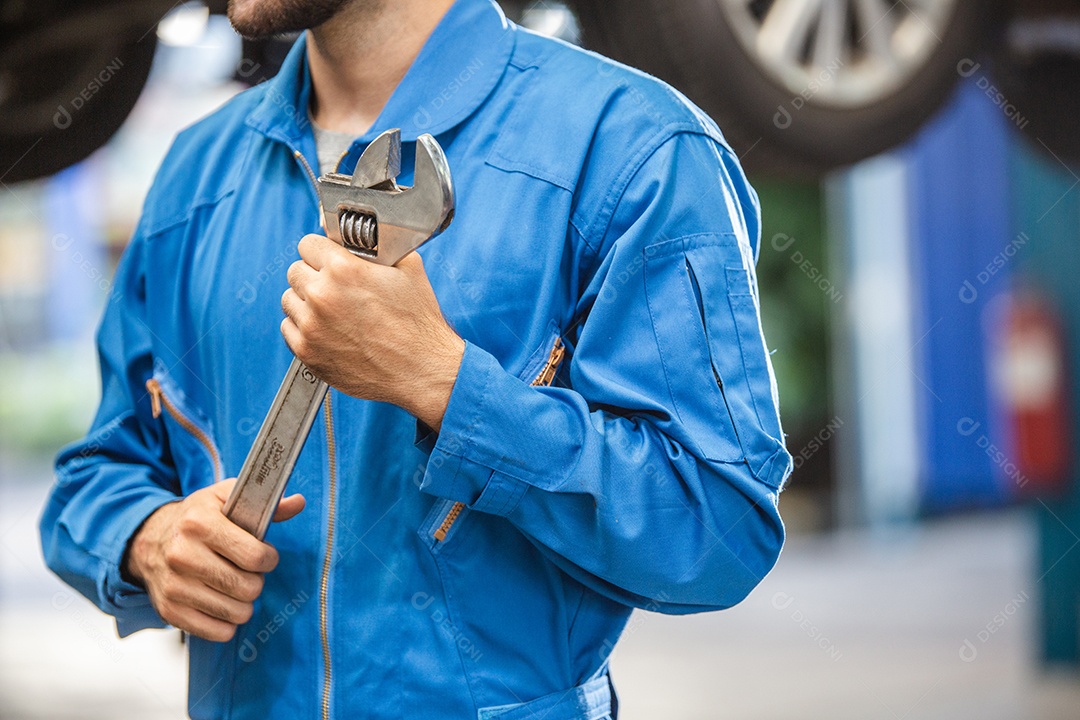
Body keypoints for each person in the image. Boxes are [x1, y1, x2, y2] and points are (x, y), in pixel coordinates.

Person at [40, 0, 792, 717]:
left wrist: (445, 385)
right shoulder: (196, 173)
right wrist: (147, 538)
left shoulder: (634, 148)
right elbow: (95, 475)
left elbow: (718, 530)